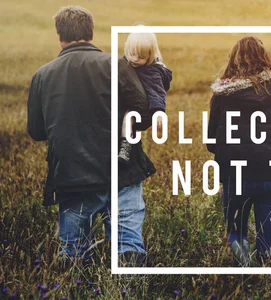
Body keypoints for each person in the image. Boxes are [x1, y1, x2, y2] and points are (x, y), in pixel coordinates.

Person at [27, 6, 155, 267]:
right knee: (129, 249)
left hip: (72, 175)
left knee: (72, 256)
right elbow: (143, 115)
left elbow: (37, 131)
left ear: (59, 35)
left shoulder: (42, 75)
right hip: (123, 171)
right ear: (92, 32)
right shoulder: (115, 66)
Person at [207, 36, 271, 266]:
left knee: (236, 235)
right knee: (268, 245)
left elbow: (211, 141)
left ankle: (244, 269)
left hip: (235, 177)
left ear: (233, 60)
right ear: (265, 59)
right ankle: (264, 277)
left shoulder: (222, 94)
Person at [119, 31, 172, 164]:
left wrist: (158, 112)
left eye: (141, 56)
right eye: (132, 54)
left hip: (143, 111)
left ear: (150, 56)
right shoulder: (126, 64)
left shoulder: (151, 71)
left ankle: (125, 146)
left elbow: (157, 92)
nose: (135, 59)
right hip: (130, 104)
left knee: (128, 117)